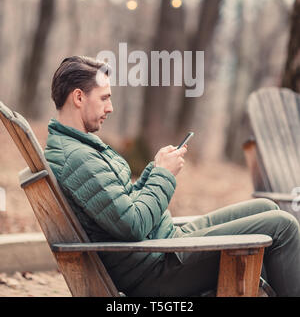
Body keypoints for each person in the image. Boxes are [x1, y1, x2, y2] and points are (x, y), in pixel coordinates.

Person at [44, 55, 300, 297]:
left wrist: (155, 170)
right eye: (104, 98)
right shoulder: (78, 158)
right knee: (283, 226)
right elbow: (133, 224)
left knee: (266, 206)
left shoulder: (79, 148)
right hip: (155, 270)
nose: (110, 108)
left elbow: (122, 203)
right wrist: (164, 176)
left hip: (160, 247)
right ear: (78, 97)